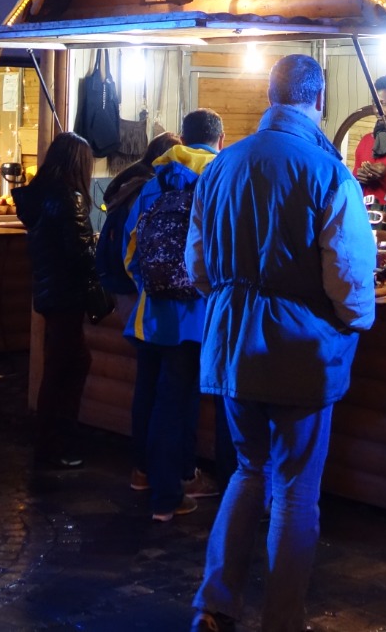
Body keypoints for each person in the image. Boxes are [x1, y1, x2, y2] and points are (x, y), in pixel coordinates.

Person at [187, 54, 375, 632]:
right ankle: (282, 620)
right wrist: (353, 323)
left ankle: (215, 605)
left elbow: (198, 266)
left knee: (248, 471)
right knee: (295, 490)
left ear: (270, 96)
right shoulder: (328, 172)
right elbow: (348, 278)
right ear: (318, 99)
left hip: (231, 344)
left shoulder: (219, 166)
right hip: (301, 350)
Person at [121, 109, 229, 521]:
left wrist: (150, 286)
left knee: (154, 395)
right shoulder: (223, 178)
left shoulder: (156, 181)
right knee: (182, 402)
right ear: (221, 139)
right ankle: (168, 497)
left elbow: (131, 249)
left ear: (183, 138)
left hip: (152, 312)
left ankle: (150, 474)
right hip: (201, 314)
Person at [95, 131, 180, 490]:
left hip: (123, 284)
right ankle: (158, 472)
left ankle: (143, 469)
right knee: (160, 380)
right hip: (140, 294)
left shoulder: (131, 181)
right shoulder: (150, 187)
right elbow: (135, 250)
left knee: (148, 376)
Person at [16, 131, 101, 469]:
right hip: (67, 292)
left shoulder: (38, 196)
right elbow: (81, 252)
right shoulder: (70, 198)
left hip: (49, 288)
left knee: (63, 363)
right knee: (67, 365)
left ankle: (52, 441)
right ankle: (55, 444)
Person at [351, 73, 386, 217]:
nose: (377, 110)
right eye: (375, 104)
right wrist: (359, 178)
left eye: (383, 103)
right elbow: (354, 188)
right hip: (364, 218)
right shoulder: (366, 141)